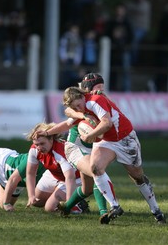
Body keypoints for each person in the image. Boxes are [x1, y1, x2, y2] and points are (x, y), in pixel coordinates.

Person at [61, 85, 166, 224]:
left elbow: (107, 123)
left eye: (78, 106)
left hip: (125, 139)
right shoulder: (80, 105)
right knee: (95, 168)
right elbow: (68, 111)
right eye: (75, 108)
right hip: (106, 141)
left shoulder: (95, 100)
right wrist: (80, 113)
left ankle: (156, 210)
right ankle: (114, 206)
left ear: (82, 96)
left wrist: (90, 135)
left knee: (138, 177)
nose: (77, 109)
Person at [35, 73, 111, 224]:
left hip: (92, 149)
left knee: (87, 188)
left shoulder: (99, 102)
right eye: (97, 88)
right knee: (96, 174)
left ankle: (71, 206)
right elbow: (68, 113)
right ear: (87, 89)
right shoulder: (80, 105)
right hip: (76, 148)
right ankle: (101, 210)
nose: (100, 90)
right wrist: (82, 116)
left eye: (102, 88)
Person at [25, 122, 86, 213]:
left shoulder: (61, 150)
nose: (39, 147)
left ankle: (78, 205)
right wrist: (31, 196)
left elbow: (70, 177)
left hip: (74, 178)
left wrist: (69, 204)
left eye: (42, 143)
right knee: (36, 201)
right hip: (54, 174)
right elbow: (30, 173)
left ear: (51, 139)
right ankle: (59, 195)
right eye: (36, 144)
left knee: (50, 208)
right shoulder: (34, 149)